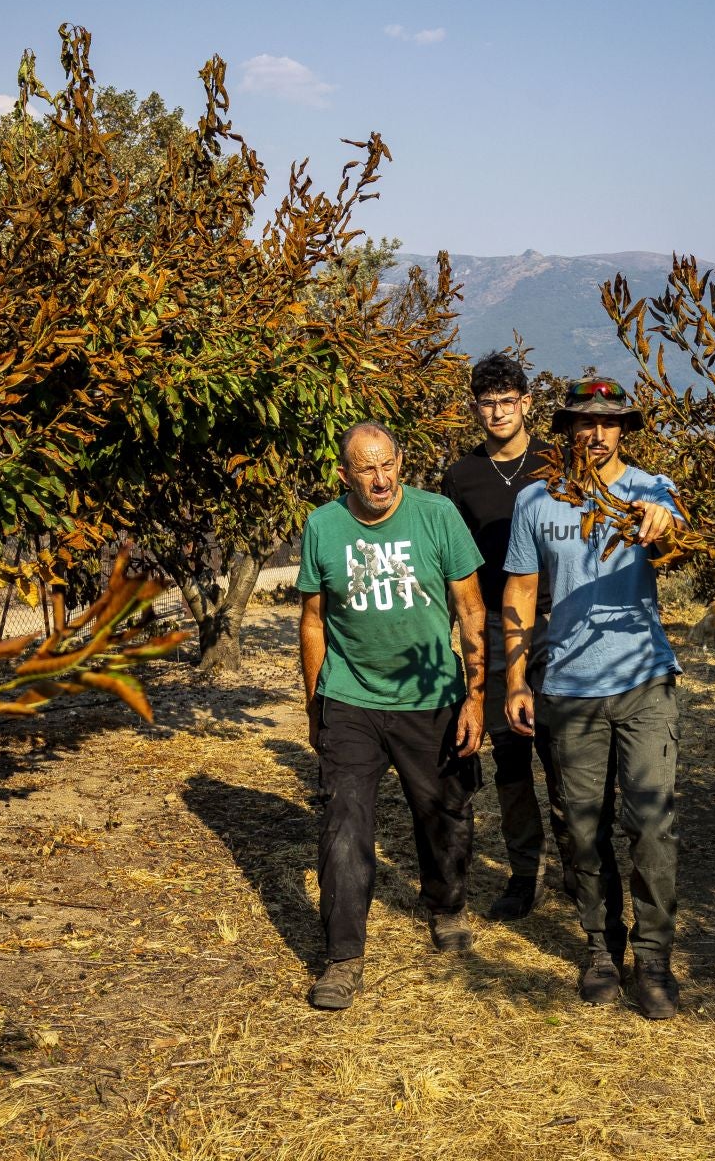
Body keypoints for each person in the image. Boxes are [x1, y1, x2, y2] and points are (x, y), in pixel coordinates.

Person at [503, 378, 685, 1020]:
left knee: (652, 826)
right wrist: (517, 680)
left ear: (624, 430)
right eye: (586, 421)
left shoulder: (650, 490)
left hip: (644, 682)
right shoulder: (535, 500)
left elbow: (671, 538)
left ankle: (654, 957)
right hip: (569, 689)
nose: (598, 433)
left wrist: (660, 524)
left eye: (610, 422)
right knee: (582, 829)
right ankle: (600, 947)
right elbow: (521, 592)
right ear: (567, 429)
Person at [297, 421, 488, 1010]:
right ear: (344, 474)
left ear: (400, 462)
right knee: (344, 825)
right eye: (366, 469)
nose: (380, 480)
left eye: (387, 465)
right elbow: (312, 621)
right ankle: (343, 958)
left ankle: (447, 904)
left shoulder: (438, 516)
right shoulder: (323, 525)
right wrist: (316, 707)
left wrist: (475, 696)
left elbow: (471, 609)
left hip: (430, 695)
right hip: (350, 697)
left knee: (445, 814)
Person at [439, 351, 585, 921]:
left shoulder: (559, 463)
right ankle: (525, 874)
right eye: (487, 403)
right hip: (497, 630)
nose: (498, 412)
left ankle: (578, 869)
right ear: (475, 408)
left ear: (526, 403)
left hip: (561, 623)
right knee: (512, 756)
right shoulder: (462, 477)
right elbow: (456, 565)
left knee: (566, 753)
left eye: (507, 401)